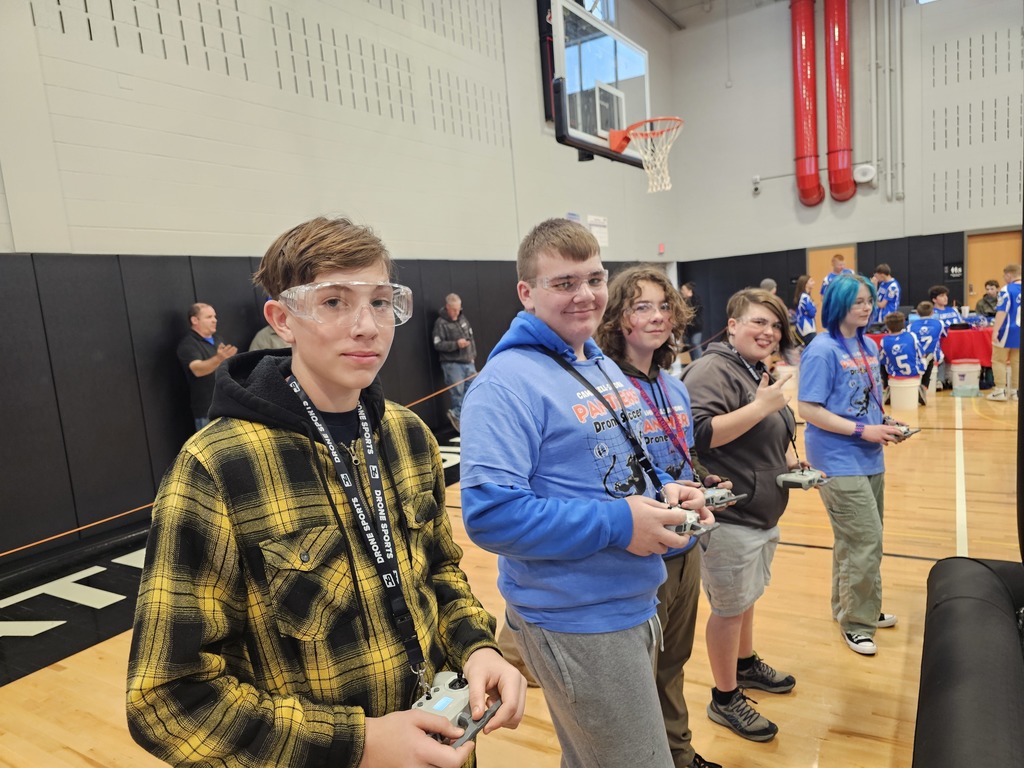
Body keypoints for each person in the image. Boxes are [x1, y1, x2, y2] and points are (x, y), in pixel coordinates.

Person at [127, 216, 526, 768]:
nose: (367, 325)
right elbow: (168, 700)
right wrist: (357, 744)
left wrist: (477, 646)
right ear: (282, 319)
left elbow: (438, 570)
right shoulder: (217, 467)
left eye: (382, 302)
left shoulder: (408, 436)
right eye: (334, 302)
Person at [459, 218, 712, 768]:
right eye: (564, 283)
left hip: (630, 600)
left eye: (594, 278)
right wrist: (623, 524)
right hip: (577, 617)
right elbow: (490, 516)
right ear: (527, 293)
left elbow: (611, 474)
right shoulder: (505, 384)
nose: (586, 295)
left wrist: (668, 496)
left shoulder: (595, 361)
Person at [595, 265, 725, 768]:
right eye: (641, 306)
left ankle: (679, 753)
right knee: (638, 673)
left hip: (686, 543)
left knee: (673, 663)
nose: (657, 316)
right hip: (641, 549)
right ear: (617, 318)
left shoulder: (675, 386)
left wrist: (703, 480)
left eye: (664, 306)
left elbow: (681, 456)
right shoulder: (603, 387)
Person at [680, 288, 802, 743]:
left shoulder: (753, 369)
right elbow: (700, 434)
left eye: (774, 326)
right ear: (732, 326)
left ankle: (745, 665)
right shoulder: (713, 368)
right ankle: (725, 697)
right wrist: (761, 407)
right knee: (729, 609)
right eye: (757, 322)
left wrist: (788, 463)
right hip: (731, 516)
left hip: (760, 510)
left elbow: (761, 434)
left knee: (746, 598)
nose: (768, 332)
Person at [797, 274, 906, 657]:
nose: (867, 307)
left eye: (869, 300)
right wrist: (863, 430)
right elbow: (808, 409)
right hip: (837, 460)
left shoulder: (867, 345)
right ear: (839, 304)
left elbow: (863, 398)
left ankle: (854, 608)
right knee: (865, 541)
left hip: (869, 455)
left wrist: (885, 422)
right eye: (859, 301)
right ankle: (857, 624)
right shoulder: (822, 350)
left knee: (855, 541)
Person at [176, 302, 237, 431]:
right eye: (209, 317)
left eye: (214, 316)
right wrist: (219, 358)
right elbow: (197, 370)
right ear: (194, 320)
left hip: (227, 406)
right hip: (207, 411)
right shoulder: (188, 344)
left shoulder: (217, 339)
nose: (214, 320)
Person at [432, 293, 477, 432]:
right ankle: (459, 421)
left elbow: (471, 337)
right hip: (452, 364)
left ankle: (470, 419)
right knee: (458, 394)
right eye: (454, 310)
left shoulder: (462, 318)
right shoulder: (441, 323)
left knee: (473, 390)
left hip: (468, 362)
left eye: (459, 309)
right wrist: (456, 344)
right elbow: (437, 344)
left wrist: (472, 355)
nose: (457, 312)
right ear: (447, 307)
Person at [987, 264, 1021, 401]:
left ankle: (999, 390)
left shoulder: (1007, 289)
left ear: (1009, 275)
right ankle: (1015, 391)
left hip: (1007, 329)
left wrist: (995, 331)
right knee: (1017, 361)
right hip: (1020, 329)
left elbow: (1002, 311)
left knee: (998, 359)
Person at [878, 312, 926, 404]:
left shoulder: (884, 340)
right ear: (904, 324)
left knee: (882, 363)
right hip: (915, 371)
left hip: (894, 373)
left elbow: (883, 360)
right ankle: (922, 386)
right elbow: (922, 354)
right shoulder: (911, 336)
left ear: (887, 327)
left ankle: (886, 387)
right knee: (929, 358)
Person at [928, 285, 963, 388]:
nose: (945, 298)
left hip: (957, 342)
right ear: (934, 299)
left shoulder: (953, 310)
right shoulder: (931, 313)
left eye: (946, 295)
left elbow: (961, 324)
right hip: (942, 343)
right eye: (942, 295)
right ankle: (940, 380)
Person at [907, 301, 946, 393]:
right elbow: (944, 334)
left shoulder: (910, 326)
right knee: (942, 360)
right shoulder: (939, 323)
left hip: (918, 358)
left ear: (917, 313)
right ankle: (939, 380)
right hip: (934, 356)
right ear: (932, 313)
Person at [680, 282, 704, 360]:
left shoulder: (695, 300)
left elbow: (695, 312)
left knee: (695, 343)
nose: (682, 291)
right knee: (689, 346)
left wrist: (689, 299)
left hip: (696, 327)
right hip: (687, 329)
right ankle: (694, 363)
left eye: (683, 290)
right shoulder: (683, 301)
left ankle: (701, 362)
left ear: (689, 291)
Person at [793, 274, 817, 346]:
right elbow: (812, 312)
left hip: (806, 326)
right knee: (812, 349)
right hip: (806, 327)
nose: (814, 282)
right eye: (811, 281)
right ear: (805, 284)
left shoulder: (804, 296)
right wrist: (814, 308)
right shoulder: (805, 297)